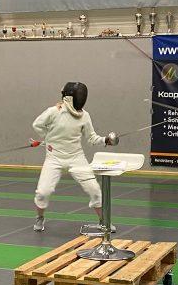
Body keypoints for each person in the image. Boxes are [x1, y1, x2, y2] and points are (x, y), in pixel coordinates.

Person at [31, 81, 117, 231]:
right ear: (70, 97)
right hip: (54, 158)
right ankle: (40, 218)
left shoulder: (84, 115)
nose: (81, 98)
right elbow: (37, 125)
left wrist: (105, 140)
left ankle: (104, 221)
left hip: (76, 158)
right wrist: (47, 139)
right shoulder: (54, 111)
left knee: (95, 190)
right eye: (79, 96)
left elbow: (91, 137)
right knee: (43, 192)